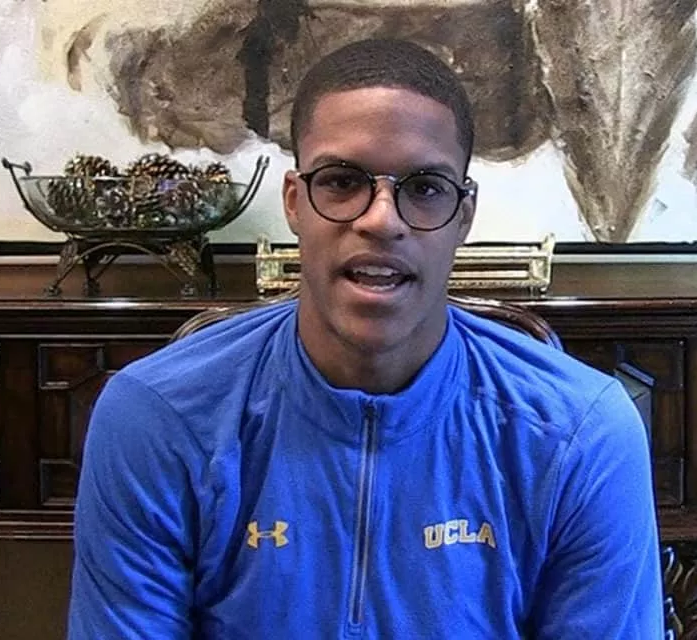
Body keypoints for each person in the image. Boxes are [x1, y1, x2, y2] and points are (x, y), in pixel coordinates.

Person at [67, 38, 664, 638]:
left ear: (463, 215)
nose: (381, 219)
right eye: (341, 181)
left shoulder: (581, 431)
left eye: (425, 188)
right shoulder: (158, 415)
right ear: (295, 203)